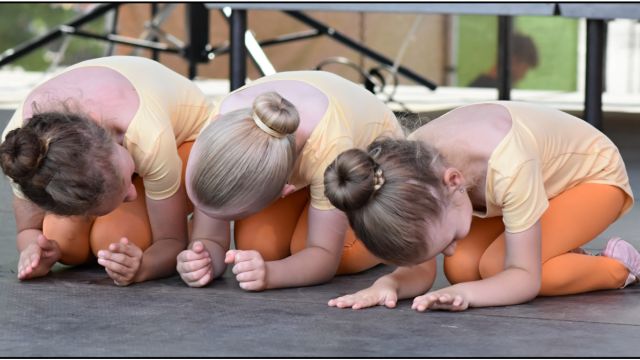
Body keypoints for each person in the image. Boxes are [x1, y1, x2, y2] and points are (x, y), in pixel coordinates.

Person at [324, 101, 639, 312]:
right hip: (531, 187)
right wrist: (388, 283)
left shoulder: (508, 163)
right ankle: (560, 252)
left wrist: (467, 295)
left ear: (454, 182)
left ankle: (618, 268)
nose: (447, 249)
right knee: (460, 267)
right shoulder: (415, 169)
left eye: (447, 239)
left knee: (494, 269)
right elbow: (421, 267)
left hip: (593, 180)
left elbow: (523, 279)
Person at [177, 70, 404, 290]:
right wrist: (203, 260)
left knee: (336, 253)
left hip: (362, 174)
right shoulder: (220, 123)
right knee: (259, 248)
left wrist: (270, 275)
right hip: (305, 162)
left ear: (286, 191)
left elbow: (323, 255)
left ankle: (389, 238)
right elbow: (209, 235)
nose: (202, 215)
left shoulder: (331, 148)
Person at [0, 56, 212, 286]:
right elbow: (28, 230)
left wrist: (144, 267)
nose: (132, 193)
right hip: (125, 159)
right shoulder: (24, 151)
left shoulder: (148, 137)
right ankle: (104, 215)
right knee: (62, 242)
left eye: (125, 187)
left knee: (114, 239)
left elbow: (171, 241)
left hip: (185, 141)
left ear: (112, 138)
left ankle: (186, 221)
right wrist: (34, 250)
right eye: (123, 193)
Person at [469, 32, 539, 88]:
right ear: (514, 60)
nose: (522, 77)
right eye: (524, 69)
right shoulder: (492, 92)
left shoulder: (477, 87)